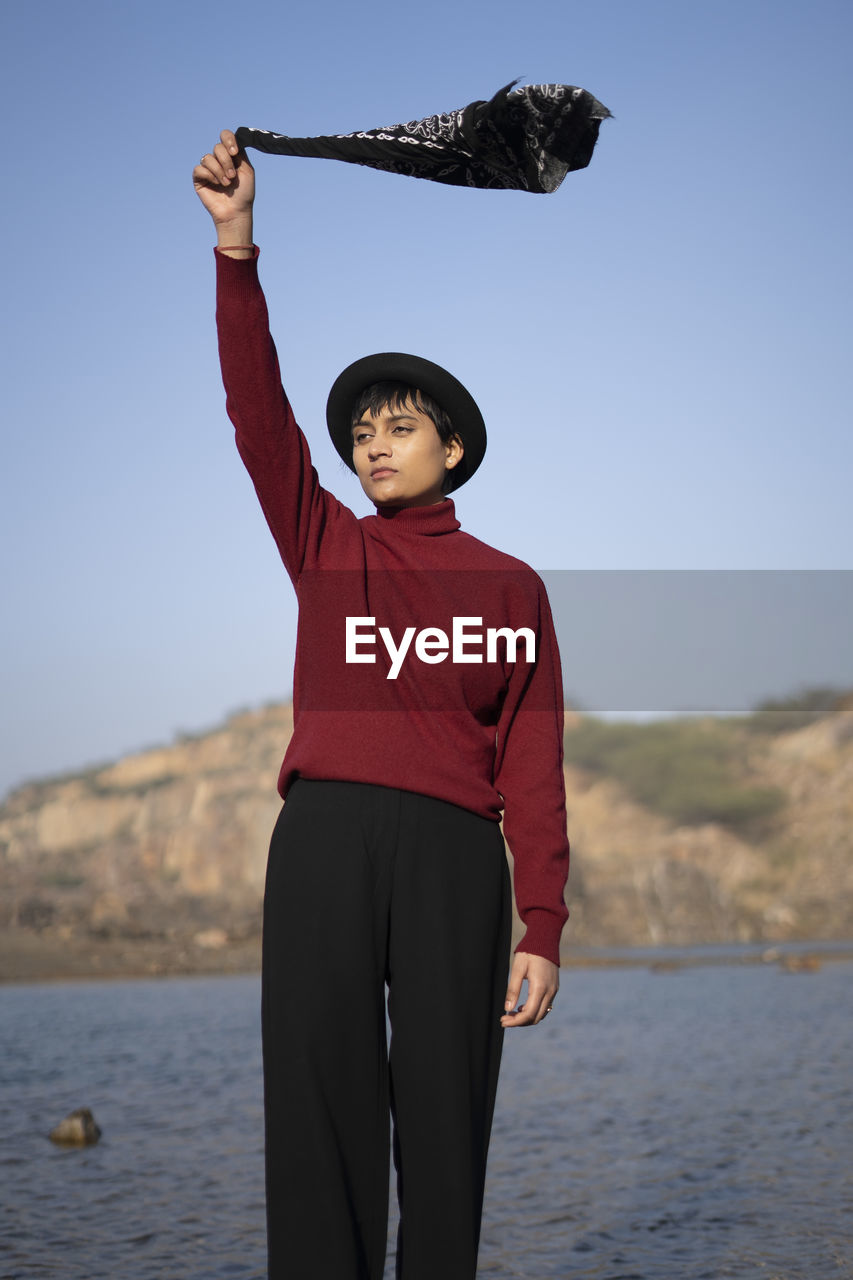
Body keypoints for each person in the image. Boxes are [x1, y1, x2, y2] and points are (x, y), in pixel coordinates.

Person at [193, 129, 571, 1280]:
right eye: (361, 432)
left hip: (457, 854)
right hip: (323, 839)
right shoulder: (324, 545)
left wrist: (543, 923)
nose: (373, 445)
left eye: (398, 426)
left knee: (445, 1121)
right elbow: (260, 418)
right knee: (318, 1108)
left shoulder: (508, 584)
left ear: (451, 449)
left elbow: (531, 761)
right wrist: (236, 245)